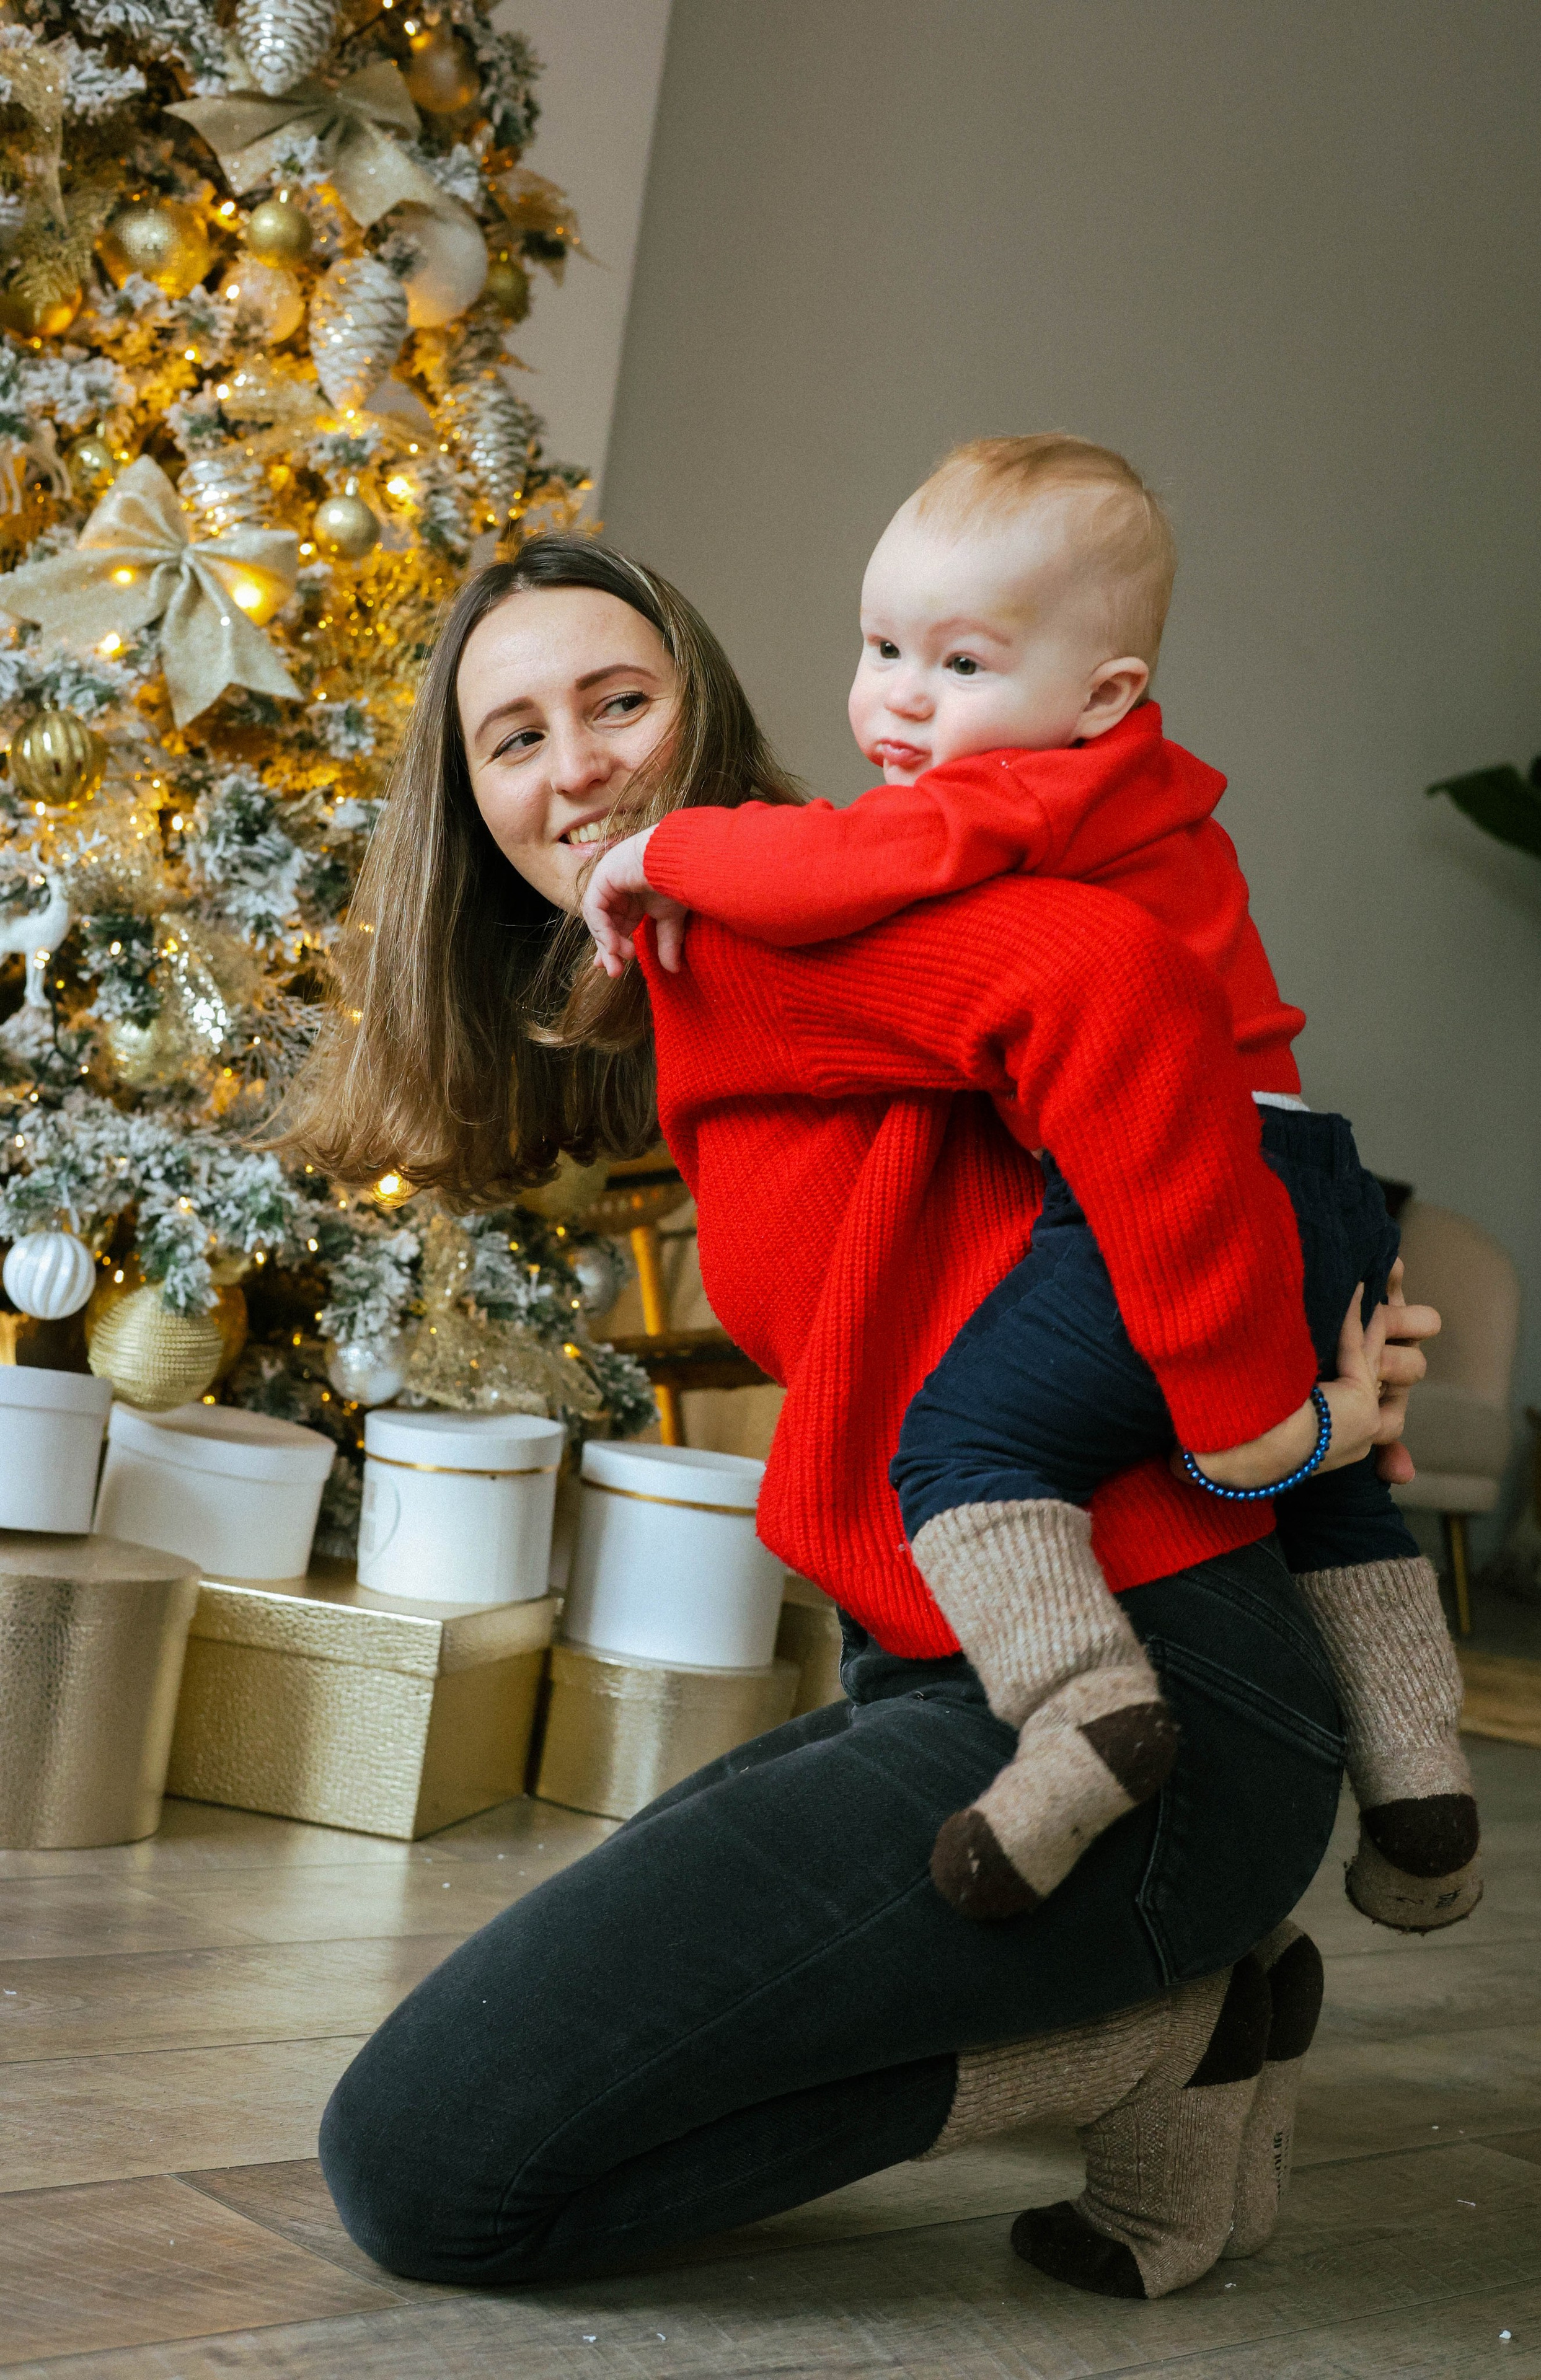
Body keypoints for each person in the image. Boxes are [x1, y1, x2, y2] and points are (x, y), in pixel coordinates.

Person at [289, 537, 1432, 2301]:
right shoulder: (714, 957)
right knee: (521, 2090)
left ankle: (1138, 2043)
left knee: (428, 2171)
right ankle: (1181, 2018)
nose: (574, 765)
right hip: (996, 1683)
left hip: (1138, 1714)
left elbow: (1127, 994)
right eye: (512, 739)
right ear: (471, 802)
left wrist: (1255, 1411)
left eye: (619, 702)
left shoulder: (771, 922)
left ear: (704, 714)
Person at [581, 434, 1477, 1936]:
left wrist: (661, 850)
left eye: (962, 662)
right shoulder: (1151, 793)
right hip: (1315, 1165)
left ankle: (1083, 1716)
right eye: (878, 648)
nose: (899, 698)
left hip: (1184, 1163)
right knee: (1331, 1503)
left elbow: (836, 871)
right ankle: (1422, 1787)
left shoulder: (1030, 795)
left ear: (1101, 697)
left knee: (965, 1451)